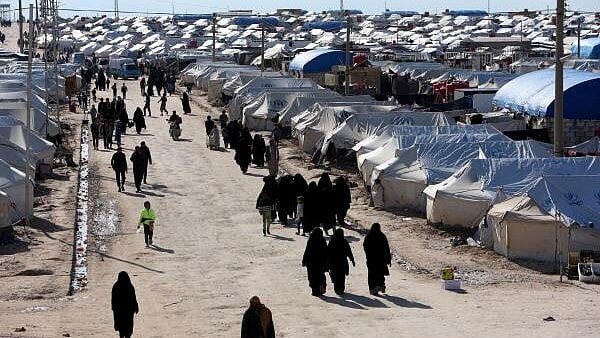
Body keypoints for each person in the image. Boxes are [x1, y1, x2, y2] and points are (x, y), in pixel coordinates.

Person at [363, 223, 391, 295]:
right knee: (380, 273)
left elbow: (365, 246)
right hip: (381, 260)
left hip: (371, 260)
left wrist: (368, 255)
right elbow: (386, 248)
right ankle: (380, 286)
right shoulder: (382, 236)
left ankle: (373, 289)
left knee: (372, 274)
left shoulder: (369, 236)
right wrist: (388, 259)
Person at [327, 228, 355, 295]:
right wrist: (352, 260)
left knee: (336, 275)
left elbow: (328, 252)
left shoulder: (332, 241)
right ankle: (341, 289)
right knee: (342, 276)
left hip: (333, 262)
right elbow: (349, 252)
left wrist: (327, 262)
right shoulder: (344, 241)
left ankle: (337, 289)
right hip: (342, 262)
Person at [111, 271, 139, 338]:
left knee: (126, 328)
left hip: (125, 311)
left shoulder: (117, 286)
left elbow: (133, 297)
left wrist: (136, 306)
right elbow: (113, 300)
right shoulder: (128, 286)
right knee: (124, 328)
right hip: (123, 311)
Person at [302, 228, 328, 296]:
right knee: (320, 276)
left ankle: (315, 291)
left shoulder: (311, 240)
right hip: (320, 263)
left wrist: (304, 261)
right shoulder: (322, 241)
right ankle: (321, 288)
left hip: (311, 264)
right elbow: (326, 253)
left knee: (312, 277)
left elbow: (307, 251)